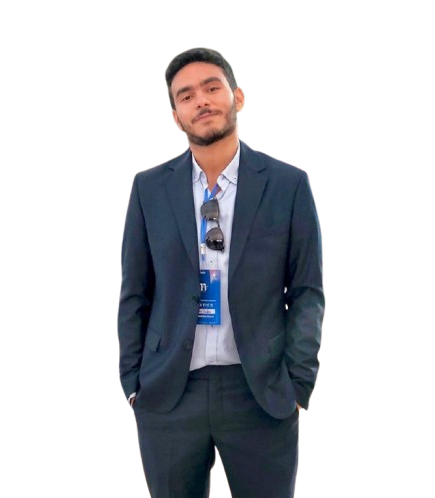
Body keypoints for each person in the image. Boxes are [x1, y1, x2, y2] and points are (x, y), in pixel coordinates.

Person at [117, 47, 325, 498]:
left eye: (212, 88)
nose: (202, 101)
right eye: (186, 96)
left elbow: (307, 291)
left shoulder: (288, 184)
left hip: (261, 392)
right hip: (169, 394)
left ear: (238, 97)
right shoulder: (149, 188)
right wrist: (133, 383)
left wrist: (298, 382)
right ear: (176, 117)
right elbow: (134, 293)